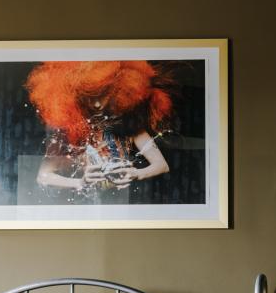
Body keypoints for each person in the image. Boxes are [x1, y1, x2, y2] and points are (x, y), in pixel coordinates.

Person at [25, 61, 173, 197]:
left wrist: (136, 173)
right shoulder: (69, 130)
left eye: (103, 95)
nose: (96, 104)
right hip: (80, 209)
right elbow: (43, 176)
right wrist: (81, 183)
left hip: (121, 208)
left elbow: (162, 165)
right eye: (89, 96)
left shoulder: (129, 126)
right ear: (77, 95)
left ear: (117, 90)